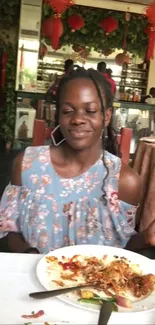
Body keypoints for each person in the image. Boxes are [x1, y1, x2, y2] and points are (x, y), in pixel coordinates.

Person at [0, 67, 155, 255]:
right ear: (58, 115)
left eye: (90, 111)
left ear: (106, 116)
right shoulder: (27, 165)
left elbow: (122, 249)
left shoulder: (124, 181)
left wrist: (147, 237)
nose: (78, 119)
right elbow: (9, 229)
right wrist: (31, 256)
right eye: (67, 111)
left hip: (93, 283)